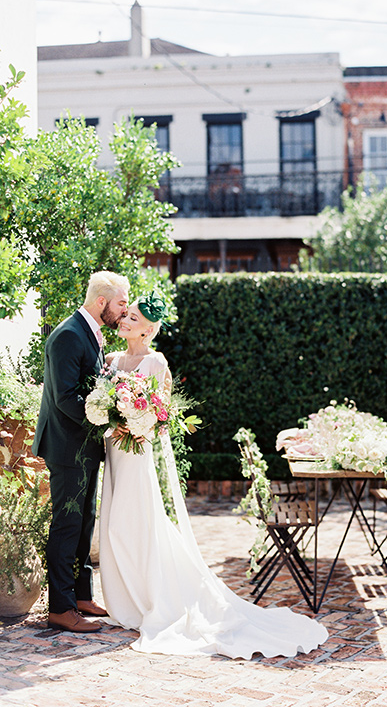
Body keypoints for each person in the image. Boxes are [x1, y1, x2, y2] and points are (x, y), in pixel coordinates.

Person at [100, 291, 328, 658]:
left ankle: (152, 598)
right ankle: (125, 599)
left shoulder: (156, 363)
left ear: (146, 331)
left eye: (133, 319)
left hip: (136, 452)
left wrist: (137, 424)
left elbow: (164, 417)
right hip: (113, 451)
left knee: (133, 522)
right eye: (125, 315)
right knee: (113, 524)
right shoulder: (110, 360)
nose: (124, 321)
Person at [33, 271, 129, 633]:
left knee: (85, 523)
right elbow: (66, 398)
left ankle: (81, 595)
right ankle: (60, 608)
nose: (123, 310)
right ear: (102, 301)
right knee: (67, 524)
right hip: (66, 447)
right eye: (120, 303)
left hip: (84, 447)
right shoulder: (68, 335)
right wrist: (108, 421)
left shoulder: (89, 333)